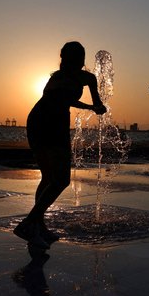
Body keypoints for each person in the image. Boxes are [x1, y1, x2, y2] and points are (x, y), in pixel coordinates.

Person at [14, 41, 107, 249]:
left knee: (49, 177)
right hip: (42, 121)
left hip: (57, 123)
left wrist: (99, 108)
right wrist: (91, 107)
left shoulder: (88, 78)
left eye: (78, 56)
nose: (75, 60)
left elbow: (97, 103)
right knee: (61, 179)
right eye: (71, 57)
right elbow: (58, 98)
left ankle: (39, 225)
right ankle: (29, 223)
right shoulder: (56, 78)